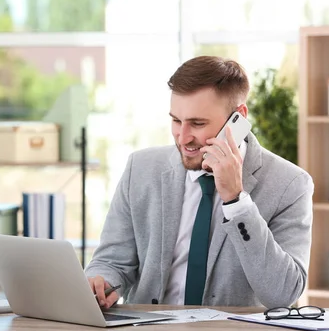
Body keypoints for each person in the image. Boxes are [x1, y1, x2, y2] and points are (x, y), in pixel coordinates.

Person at [85, 56, 313, 309]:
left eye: (197, 123)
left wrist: (237, 201)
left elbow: (283, 294)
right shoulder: (140, 169)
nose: (183, 138)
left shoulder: (290, 184)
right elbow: (112, 262)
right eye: (176, 120)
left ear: (238, 118)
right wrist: (102, 284)